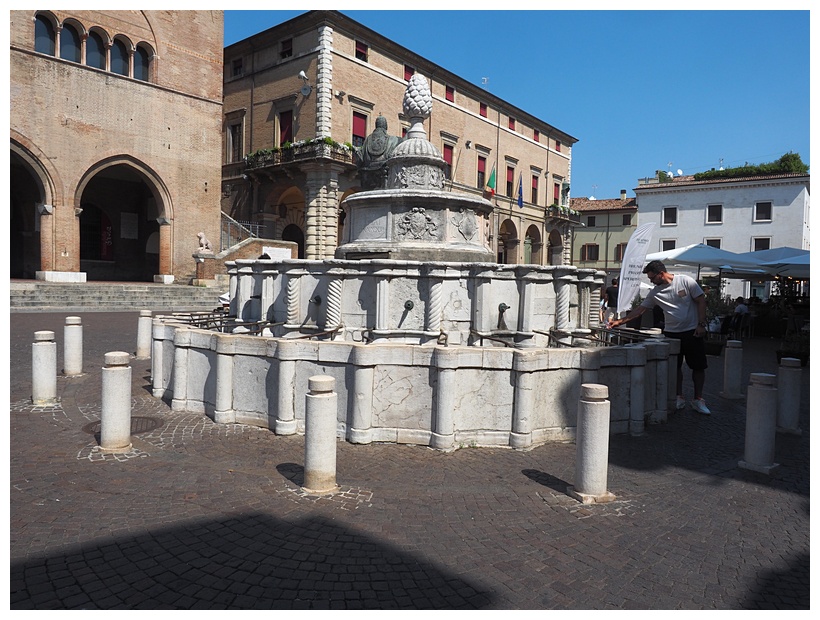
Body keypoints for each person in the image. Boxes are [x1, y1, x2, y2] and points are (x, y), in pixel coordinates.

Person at [607, 260, 711, 415]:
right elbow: (640, 310)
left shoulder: (685, 281)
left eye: (652, 278)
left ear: (661, 274)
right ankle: (678, 396)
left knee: (698, 366)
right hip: (671, 332)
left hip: (692, 330)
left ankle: (698, 399)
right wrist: (619, 322)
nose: (651, 281)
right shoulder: (655, 292)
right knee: (675, 367)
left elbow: (701, 300)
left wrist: (701, 324)